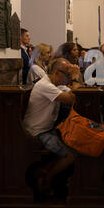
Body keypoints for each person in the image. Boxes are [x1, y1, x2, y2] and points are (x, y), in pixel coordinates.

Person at [23, 58, 81, 196]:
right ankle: (46, 179)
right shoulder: (45, 86)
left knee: (75, 143)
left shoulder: (55, 84)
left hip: (48, 130)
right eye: (66, 75)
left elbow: (77, 93)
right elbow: (72, 98)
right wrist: (75, 78)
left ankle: (43, 172)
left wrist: (74, 79)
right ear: (56, 72)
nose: (67, 78)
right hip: (37, 132)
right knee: (70, 155)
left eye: (69, 76)